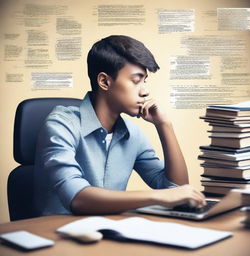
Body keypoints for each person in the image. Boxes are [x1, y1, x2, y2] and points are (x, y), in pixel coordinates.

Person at [34, 35, 206, 216]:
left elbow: (175, 189)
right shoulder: (61, 124)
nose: (145, 91)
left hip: (109, 233)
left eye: (145, 80)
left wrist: (164, 125)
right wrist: (158, 197)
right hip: (59, 236)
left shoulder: (132, 134)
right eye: (136, 80)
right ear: (104, 82)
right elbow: (77, 198)